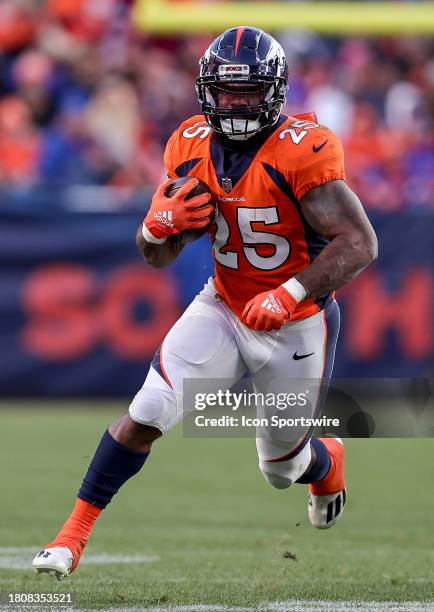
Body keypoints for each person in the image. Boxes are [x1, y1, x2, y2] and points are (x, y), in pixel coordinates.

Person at [32, 26, 377, 580]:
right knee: (147, 411)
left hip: (297, 324)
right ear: (206, 91)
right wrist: (153, 228)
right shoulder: (188, 144)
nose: (236, 103)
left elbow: (360, 243)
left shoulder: (304, 150)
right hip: (222, 304)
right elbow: (159, 254)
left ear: (276, 91)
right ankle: (70, 540)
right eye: (226, 92)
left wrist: (289, 292)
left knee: (281, 467)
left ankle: (328, 461)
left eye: (248, 92)